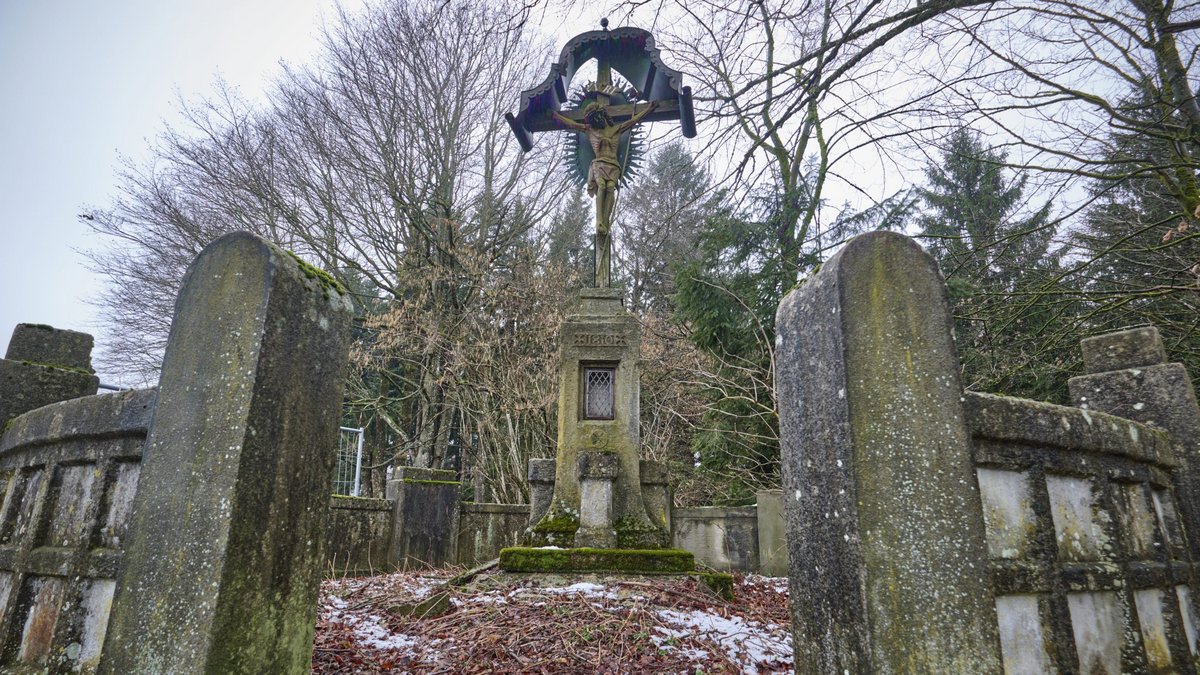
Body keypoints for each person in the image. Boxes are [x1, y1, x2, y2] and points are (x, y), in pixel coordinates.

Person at [553, 99, 657, 286]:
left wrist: (649, 108)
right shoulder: (590, 130)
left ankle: (606, 221)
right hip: (599, 163)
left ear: (603, 116)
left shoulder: (615, 129)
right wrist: (555, 116)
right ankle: (600, 220)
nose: (595, 121)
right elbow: (571, 124)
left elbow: (633, 121)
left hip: (613, 165)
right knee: (602, 186)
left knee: (610, 188)